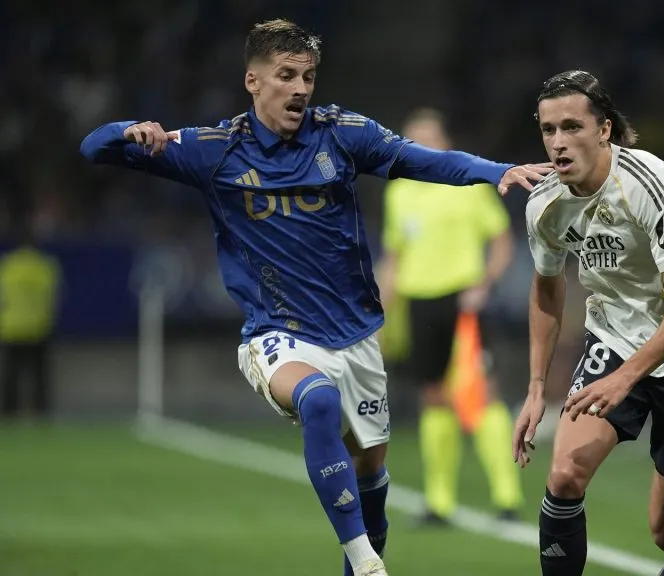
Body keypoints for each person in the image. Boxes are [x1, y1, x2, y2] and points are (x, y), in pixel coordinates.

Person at [79, 19, 549, 576]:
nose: (301, 87)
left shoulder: (341, 136)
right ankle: (366, 565)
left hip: (356, 336)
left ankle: (363, 559)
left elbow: (424, 160)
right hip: (276, 333)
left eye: (308, 76)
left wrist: (499, 171)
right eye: (286, 75)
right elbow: (93, 147)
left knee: (372, 483)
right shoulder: (215, 151)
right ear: (253, 81)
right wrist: (132, 129)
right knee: (319, 400)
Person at [511, 70, 664, 576]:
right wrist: (535, 387)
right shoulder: (544, 205)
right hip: (613, 339)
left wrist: (626, 375)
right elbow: (548, 286)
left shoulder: (648, 184)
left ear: (605, 130)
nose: (557, 142)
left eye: (571, 126)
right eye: (548, 129)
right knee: (566, 473)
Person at [376, 108, 523, 524]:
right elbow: (394, 257)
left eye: (426, 137)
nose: (418, 146)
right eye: (411, 138)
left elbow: (501, 241)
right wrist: (383, 312)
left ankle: (506, 498)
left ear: (444, 142)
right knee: (434, 396)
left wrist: (484, 284)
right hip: (418, 302)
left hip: (462, 302)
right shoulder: (399, 191)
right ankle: (439, 502)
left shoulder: (465, 183)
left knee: (480, 395)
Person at [0, 225, 62, 420]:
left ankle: (8, 412)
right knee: (39, 375)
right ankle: (41, 412)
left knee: (11, 374)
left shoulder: (8, 265)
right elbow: (54, 298)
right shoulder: (45, 266)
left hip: (12, 328)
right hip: (38, 328)